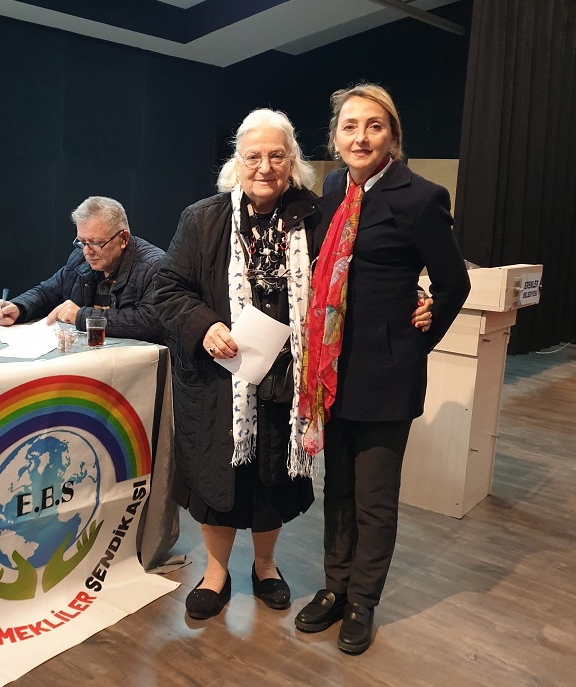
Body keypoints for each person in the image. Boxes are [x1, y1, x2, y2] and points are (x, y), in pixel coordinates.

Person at [154, 109, 434, 621]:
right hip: (220, 380)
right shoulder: (202, 218)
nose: (264, 167)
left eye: (276, 156)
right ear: (236, 162)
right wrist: (203, 325)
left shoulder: (315, 215)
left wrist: (412, 294)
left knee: (271, 480)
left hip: (288, 379)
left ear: (293, 161)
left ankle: (266, 567)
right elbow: (166, 288)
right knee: (219, 481)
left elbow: (357, 270)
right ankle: (215, 573)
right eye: (253, 156)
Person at [295, 84, 471, 654]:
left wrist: (419, 337)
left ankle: (362, 602)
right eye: (349, 126)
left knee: (373, 497)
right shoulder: (332, 191)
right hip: (334, 371)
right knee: (337, 491)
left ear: (392, 136)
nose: (360, 137)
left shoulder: (420, 197)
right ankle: (334, 587)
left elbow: (453, 283)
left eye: (374, 125)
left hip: (387, 376)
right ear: (335, 138)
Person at [0, 196, 166, 343]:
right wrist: (19, 307)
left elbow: (151, 323)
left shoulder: (154, 266)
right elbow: (46, 293)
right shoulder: (80, 259)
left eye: (96, 243)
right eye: (82, 242)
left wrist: (81, 316)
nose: (86, 252)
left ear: (123, 239)